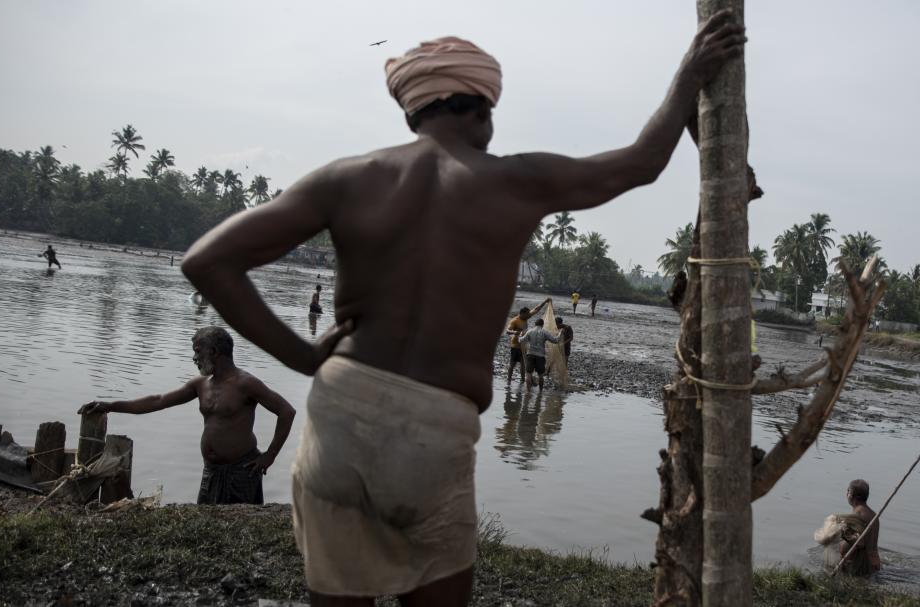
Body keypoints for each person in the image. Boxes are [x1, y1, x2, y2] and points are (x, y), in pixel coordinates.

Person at [180, 15, 746, 605]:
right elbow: (639, 164)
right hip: (435, 425)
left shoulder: (347, 178)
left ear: (412, 113)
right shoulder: (514, 180)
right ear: (480, 109)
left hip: (340, 414)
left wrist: (301, 354)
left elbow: (207, 260)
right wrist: (689, 76)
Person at [77, 327, 296, 505]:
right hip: (211, 471)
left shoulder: (246, 383)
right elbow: (158, 400)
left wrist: (270, 455)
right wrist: (110, 406)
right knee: (208, 526)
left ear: (214, 351)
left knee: (239, 530)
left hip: (241, 471)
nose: (194, 358)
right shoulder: (201, 385)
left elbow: (286, 411)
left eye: (198, 351)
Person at [839, 479, 881, 576]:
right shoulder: (873, 514)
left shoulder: (857, 514)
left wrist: (843, 560)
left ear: (852, 495)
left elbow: (859, 543)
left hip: (861, 565)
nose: (846, 493)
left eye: (848, 491)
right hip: (875, 563)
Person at [505, 299, 550, 384]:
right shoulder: (514, 320)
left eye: (528, 314)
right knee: (512, 364)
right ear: (522, 313)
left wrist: (544, 301)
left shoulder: (526, 317)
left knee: (524, 364)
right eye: (527, 314)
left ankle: (522, 381)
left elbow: (536, 309)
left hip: (523, 345)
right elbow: (507, 330)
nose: (528, 316)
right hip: (515, 345)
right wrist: (515, 332)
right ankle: (509, 381)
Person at [519, 318, 562, 391]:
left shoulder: (530, 331)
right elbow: (555, 340)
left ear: (535, 324)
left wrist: (520, 335)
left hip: (530, 354)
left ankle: (528, 391)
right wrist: (560, 333)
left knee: (528, 374)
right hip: (540, 356)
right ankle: (540, 392)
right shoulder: (545, 332)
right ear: (542, 325)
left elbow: (521, 340)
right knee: (541, 375)